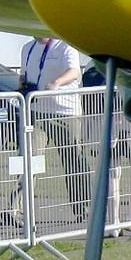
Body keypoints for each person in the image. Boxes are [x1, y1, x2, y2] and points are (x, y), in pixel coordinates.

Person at [20, 35, 90, 223]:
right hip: (37, 110)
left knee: (73, 159)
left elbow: (75, 72)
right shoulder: (28, 47)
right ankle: (17, 208)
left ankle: (82, 208)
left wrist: (57, 83)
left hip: (65, 112)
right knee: (29, 158)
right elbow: (24, 74)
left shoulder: (66, 46)